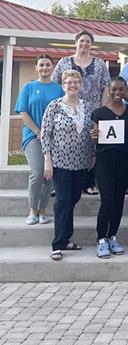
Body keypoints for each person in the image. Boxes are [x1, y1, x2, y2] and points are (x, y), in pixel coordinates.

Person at [41, 70, 94, 261]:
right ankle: (57, 243)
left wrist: (93, 154)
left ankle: (66, 238)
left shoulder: (87, 107)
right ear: (63, 85)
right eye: (69, 83)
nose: (72, 86)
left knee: (73, 199)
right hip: (61, 161)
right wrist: (48, 159)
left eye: (76, 82)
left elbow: (91, 132)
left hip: (81, 162)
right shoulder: (54, 106)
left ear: (80, 84)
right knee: (62, 201)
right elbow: (45, 135)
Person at [51, 30, 110, 196]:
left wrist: (102, 110)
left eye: (88, 41)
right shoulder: (64, 62)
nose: (84, 44)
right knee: (67, 144)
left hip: (92, 110)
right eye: (82, 41)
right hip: (68, 110)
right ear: (75, 43)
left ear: (91, 44)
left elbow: (106, 86)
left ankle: (89, 183)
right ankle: (60, 183)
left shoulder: (99, 64)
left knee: (91, 145)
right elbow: (56, 85)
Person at [90, 77, 128, 258]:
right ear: (108, 91)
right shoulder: (99, 113)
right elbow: (94, 137)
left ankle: (112, 236)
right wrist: (93, 135)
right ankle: (101, 238)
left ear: (126, 91)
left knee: (119, 201)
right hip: (104, 162)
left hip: (124, 162)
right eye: (114, 90)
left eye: (121, 90)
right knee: (107, 199)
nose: (117, 93)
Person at [15, 54, 63, 225]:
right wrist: (37, 131)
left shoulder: (59, 89)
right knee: (37, 172)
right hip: (33, 136)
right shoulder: (28, 87)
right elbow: (23, 112)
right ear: (36, 67)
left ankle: (43, 210)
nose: (44, 68)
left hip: (54, 138)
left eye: (48, 65)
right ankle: (32, 210)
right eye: (41, 65)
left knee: (48, 174)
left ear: (52, 67)